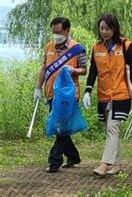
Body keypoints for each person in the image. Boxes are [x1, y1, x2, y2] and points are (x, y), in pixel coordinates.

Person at [83, 13, 132, 176]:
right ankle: (117, 164)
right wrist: (87, 91)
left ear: (114, 29)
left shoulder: (125, 45)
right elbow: (93, 72)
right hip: (104, 95)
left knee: (113, 127)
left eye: (107, 28)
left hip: (121, 94)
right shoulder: (96, 48)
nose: (104, 32)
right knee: (110, 129)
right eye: (101, 28)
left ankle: (104, 164)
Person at [34, 17, 87, 173]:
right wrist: (38, 88)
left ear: (66, 31)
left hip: (68, 95)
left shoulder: (77, 49)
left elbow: (84, 69)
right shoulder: (49, 46)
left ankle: (54, 160)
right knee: (61, 127)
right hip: (51, 93)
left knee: (61, 127)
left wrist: (74, 70)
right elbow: (44, 68)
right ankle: (73, 156)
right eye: (53, 32)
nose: (55, 35)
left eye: (58, 32)